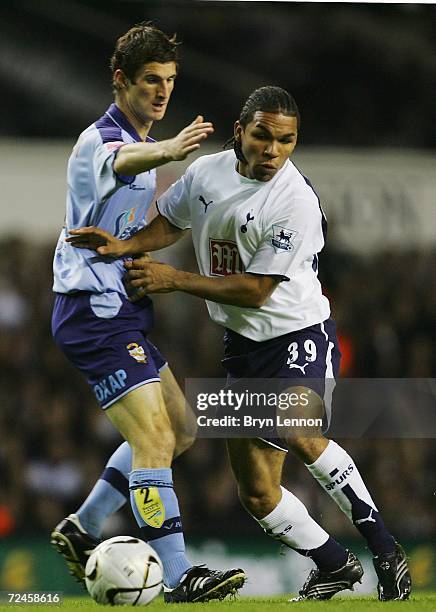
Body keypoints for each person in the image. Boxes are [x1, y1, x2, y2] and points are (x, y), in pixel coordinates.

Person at [68, 85, 412, 602]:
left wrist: (174, 279)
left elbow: (256, 289)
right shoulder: (206, 173)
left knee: (298, 429)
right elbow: (169, 222)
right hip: (244, 346)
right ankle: (335, 565)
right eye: (263, 136)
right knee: (257, 493)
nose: (273, 150)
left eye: (286, 140)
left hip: (297, 333)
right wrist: (126, 245)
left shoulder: (295, 201)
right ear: (240, 132)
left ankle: (386, 551)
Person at [51, 22, 245, 603]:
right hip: (90, 312)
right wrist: (172, 147)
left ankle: (83, 527)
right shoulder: (100, 142)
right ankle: (182, 575)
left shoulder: (137, 135)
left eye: (169, 81)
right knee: (156, 439)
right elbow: (125, 161)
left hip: (120, 309)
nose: (161, 93)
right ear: (120, 81)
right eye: (149, 82)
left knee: (181, 431)